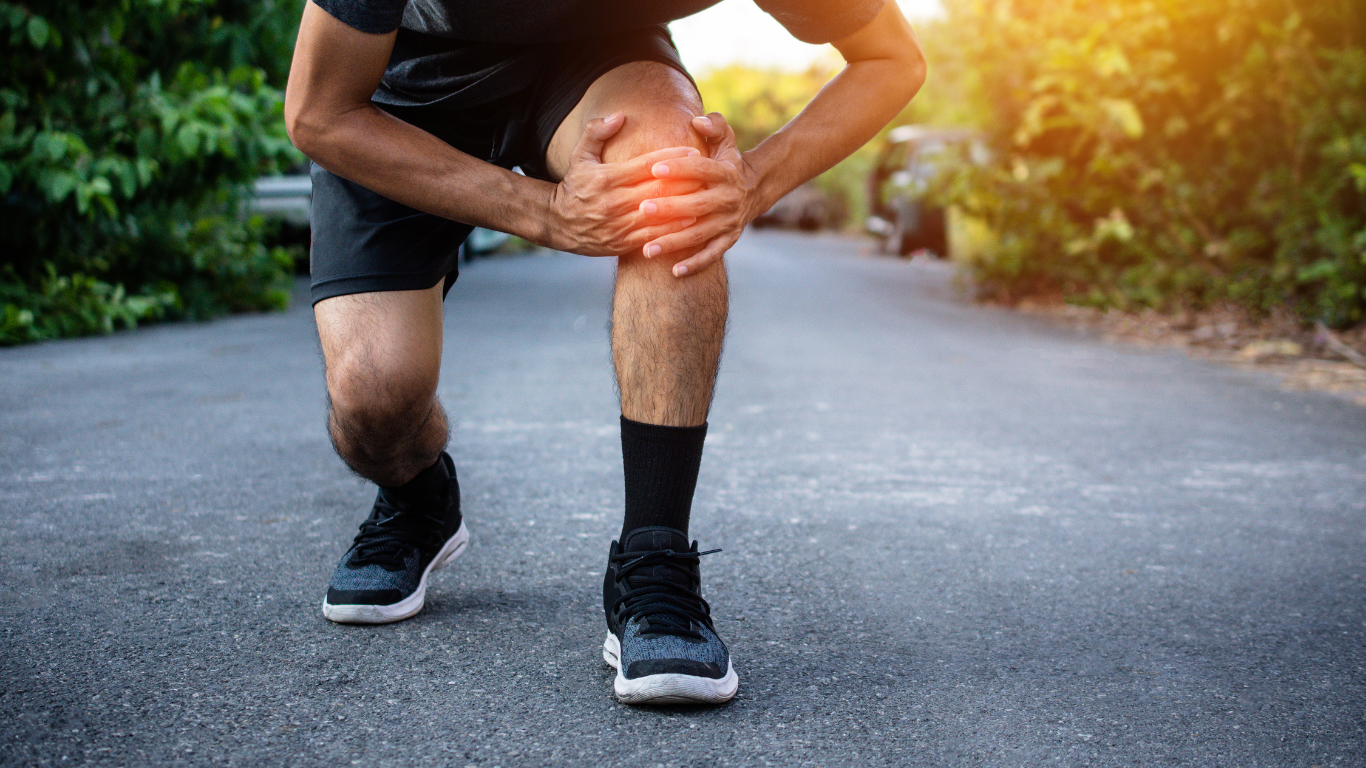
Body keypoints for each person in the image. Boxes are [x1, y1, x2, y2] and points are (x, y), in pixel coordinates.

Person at [284, 0, 925, 705]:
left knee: (672, 176)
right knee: (375, 396)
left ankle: (654, 558)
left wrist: (752, 183)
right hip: (404, 92)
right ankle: (417, 501)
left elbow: (891, 59)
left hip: (599, 61)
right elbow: (319, 113)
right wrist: (540, 210)